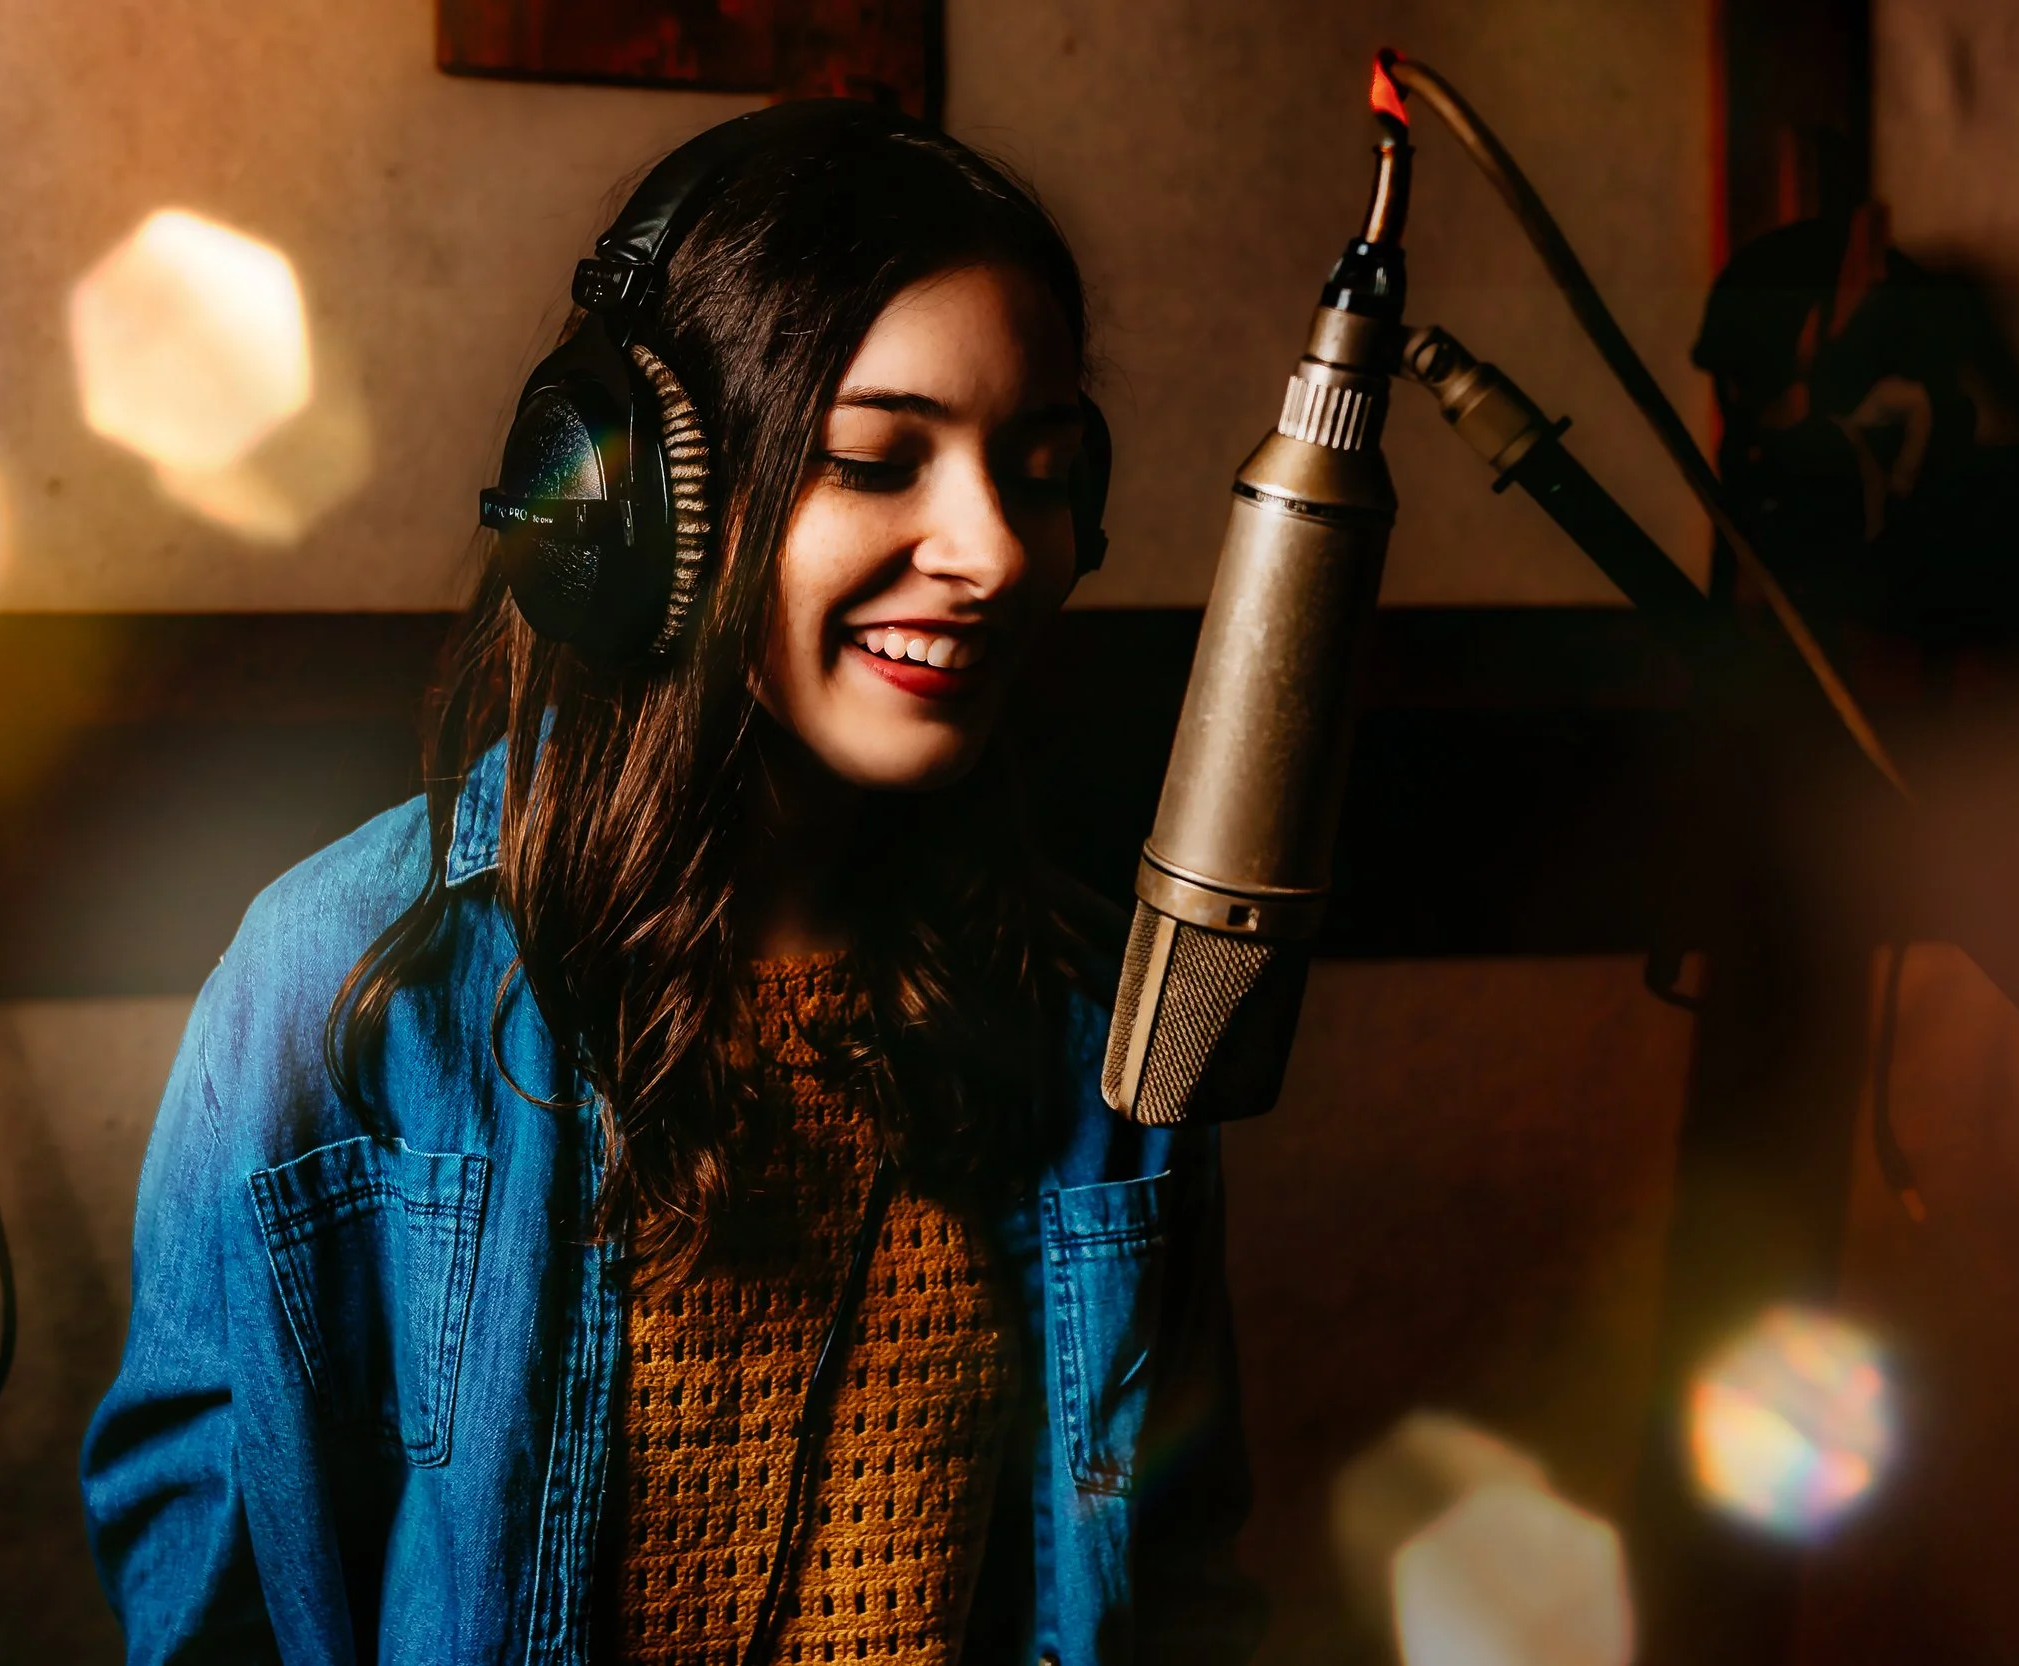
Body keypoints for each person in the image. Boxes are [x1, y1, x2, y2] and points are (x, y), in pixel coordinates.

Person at [81, 101, 1262, 1666]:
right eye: (873, 460)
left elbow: (1173, 1574)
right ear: (638, 517)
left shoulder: (1103, 1014)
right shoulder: (347, 986)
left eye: (1038, 470)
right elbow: (211, 1592)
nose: (991, 547)